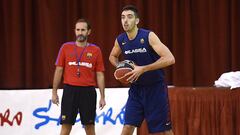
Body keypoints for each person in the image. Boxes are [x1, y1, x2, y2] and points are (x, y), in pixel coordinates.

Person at [109, 5, 175, 135]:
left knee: (164, 131)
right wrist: (120, 67)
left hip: (155, 89)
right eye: (123, 17)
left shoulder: (149, 36)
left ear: (137, 20)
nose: (125, 21)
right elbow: (112, 56)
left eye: (129, 17)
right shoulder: (120, 40)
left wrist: (143, 69)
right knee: (127, 127)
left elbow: (170, 58)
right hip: (136, 90)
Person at [52, 18, 106, 135]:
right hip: (69, 90)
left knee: (89, 127)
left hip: (88, 92)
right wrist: (54, 92)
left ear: (89, 32)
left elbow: (100, 74)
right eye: (78, 30)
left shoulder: (96, 50)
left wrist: (102, 96)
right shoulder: (65, 47)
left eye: (83, 30)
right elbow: (59, 70)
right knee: (66, 127)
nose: (80, 32)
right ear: (74, 31)